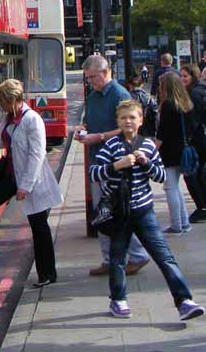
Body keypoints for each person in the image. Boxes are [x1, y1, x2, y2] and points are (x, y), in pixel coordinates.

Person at [90, 99, 204, 321]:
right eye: (123, 118)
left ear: (141, 120)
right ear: (118, 122)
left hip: (144, 211)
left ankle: (184, 301)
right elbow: (94, 173)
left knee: (165, 257)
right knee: (118, 259)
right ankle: (118, 299)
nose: (128, 122)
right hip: (120, 213)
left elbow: (161, 176)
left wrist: (146, 164)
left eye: (132, 117)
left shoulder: (148, 145)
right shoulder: (111, 146)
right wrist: (117, 165)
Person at [0, 79, 63, 287]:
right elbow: (6, 141)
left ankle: (47, 274)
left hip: (32, 180)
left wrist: (26, 186)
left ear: (11, 99)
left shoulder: (32, 120)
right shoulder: (10, 118)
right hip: (13, 176)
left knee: (39, 226)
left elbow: (36, 155)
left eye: (0, 100)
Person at [75, 54, 150, 276]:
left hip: (116, 162)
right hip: (99, 162)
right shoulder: (94, 95)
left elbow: (128, 128)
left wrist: (98, 137)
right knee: (104, 213)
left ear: (106, 72)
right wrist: (83, 129)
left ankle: (136, 255)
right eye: (87, 78)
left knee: (117, 211)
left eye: (93, 77)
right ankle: (110, 259)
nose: (90, 81)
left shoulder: (119, 94)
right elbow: (92, 120)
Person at [156, 72, 194, 234]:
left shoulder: (167, 105)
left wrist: (152, 149)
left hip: (169, 152)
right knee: (176, 187)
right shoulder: (186, 103)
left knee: (170, 187)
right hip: (183, 149)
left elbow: (162, 133)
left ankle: (177, 224)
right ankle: (183, 222)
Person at [181, 64, 206, 222]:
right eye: (181, 76)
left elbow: (193, 120)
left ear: (193, 76)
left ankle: (201, 207)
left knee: (191, 174)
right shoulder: (199, 91)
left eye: (185, 76)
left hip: (197, 140)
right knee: (197, 174)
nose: (182, 79)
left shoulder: (194, 94)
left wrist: (186, 138)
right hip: (200, 138)